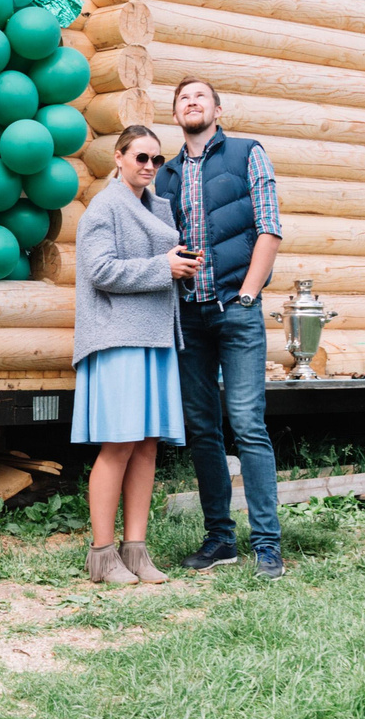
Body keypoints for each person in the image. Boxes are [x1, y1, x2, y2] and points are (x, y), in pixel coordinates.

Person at [152, 79, 283, 580]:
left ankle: (267, 545)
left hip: (236, 309)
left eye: (200, 97)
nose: (191, 102)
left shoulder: (248, 153)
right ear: (176, 114)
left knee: (248, 424)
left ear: (217, 110)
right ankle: (221, 540)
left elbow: (268, 228)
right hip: (188, 315)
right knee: (202, 429)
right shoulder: (165, 175)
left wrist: (247, 295)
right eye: (183, 98)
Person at [73, 125, 194, 586]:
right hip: (117, 337)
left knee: (146, 445)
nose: (149, 166)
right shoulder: (104, 206)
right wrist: (163, 267)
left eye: (156, 159)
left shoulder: (157, 207)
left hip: (155, 336)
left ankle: (136, 551)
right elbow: (100, 270)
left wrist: (180, 268)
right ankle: (102, 555)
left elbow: (155, 269)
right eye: (140, 157)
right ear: (119, 158)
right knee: (120, 443)